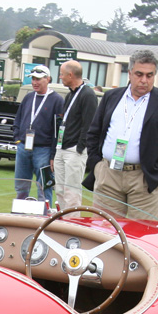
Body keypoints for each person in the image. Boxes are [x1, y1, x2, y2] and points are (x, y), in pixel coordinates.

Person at [85, 49, 158, 220]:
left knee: (143, 236)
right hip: (108, 175)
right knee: (103, 234)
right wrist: (97, 165)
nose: (144, 80)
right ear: (130, 73)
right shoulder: (111, 96)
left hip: (145, 179)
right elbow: (94, 132)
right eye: (139, 74)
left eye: (149, 75)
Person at [11, 64, 63, 207]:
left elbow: (58, 130)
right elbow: (18, 118)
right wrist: (17, 139)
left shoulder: (57, 100)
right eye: (33, 79)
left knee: (44, 186)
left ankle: (46, 218)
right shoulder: (28, 97)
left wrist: (53, 154)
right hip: (23, 147)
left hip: (43, 149)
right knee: (21, 185)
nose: (35, 82)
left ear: (48, 79)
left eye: (39, 79)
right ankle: (20, 216)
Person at [54, 60, 97, 210]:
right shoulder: (70, 95)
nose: (60, 77)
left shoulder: (88, 95)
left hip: (74, 150)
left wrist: (80, 148)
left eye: (61, 74)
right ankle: (62, 223)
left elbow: (89, 124)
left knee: (71, 191)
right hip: (61, 147)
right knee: (59, 189)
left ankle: (72, 226)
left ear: (70, 75)